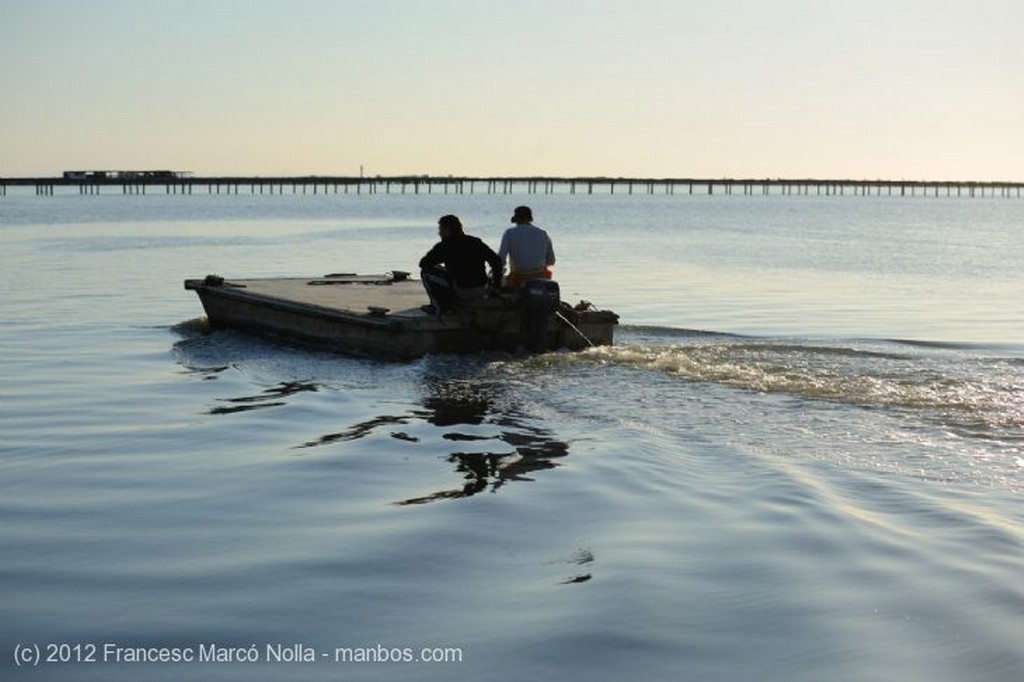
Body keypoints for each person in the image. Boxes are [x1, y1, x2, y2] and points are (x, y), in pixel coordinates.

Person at [419, 214, 502, 314]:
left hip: (462, 291)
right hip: (481, 289)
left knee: (426, 273)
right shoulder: (475, 242)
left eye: (441, 229)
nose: (439, 233)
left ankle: (438, 307)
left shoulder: (444, 246)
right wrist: (496, 285)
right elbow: (496, 261)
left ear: (448, 230)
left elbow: (423, 263)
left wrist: (441, 268)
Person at [497, 206, 555, 288]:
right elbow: (551, 261)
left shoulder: (509, 233)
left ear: (516, 219)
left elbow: (501, 260)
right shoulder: (543, 234)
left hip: (518, 279)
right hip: (540, 278)